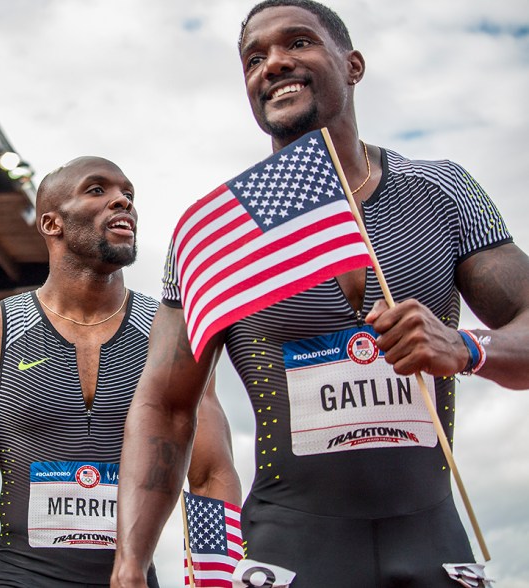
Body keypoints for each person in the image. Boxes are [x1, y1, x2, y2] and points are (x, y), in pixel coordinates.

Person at [111, 1, 529, 587]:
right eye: (254, 59)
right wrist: (129, 567)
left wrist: (467, 347)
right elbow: (165, 405)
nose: (274, 64)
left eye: (298, 44)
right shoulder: (217, 234)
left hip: (432, 537)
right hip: (292, 546)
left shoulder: (441, 191)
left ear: (353, 64)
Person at [0, 156, 241, 587]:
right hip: (22, 578)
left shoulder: (170, 337)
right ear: (52, 224)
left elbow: (210, 476)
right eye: (98, 190)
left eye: (128, 195)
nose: (122, 203)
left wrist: (217, 583)